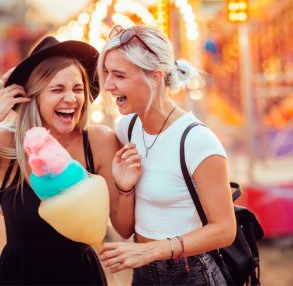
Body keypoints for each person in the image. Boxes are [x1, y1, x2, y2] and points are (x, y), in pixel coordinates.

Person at [97, 25, 237, 285]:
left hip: (192, 274)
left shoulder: (197, 140)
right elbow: (125, 229)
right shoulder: (127, 129)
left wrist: (153, 250)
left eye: (118, 75)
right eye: (106, 73)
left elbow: (225, 230)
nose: (107, 85)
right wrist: (124, 188)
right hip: (142, 273)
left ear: (155, 76)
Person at [0, 36, 136, 285]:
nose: (71, 99)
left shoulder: (98, 141)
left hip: (80, 276)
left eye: (77, 89)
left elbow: (124, 229)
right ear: (33, 96)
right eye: (57, 89)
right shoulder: (7, 146)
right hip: (19, 276)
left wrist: (125, 188)